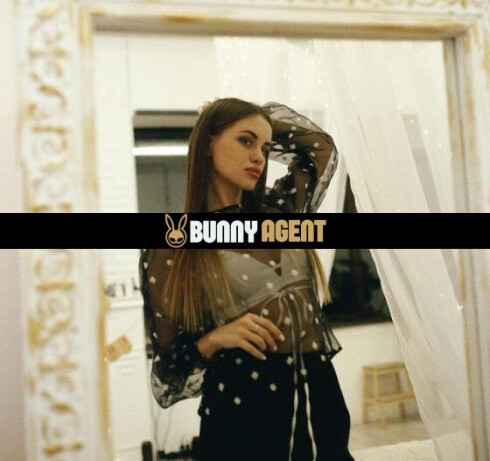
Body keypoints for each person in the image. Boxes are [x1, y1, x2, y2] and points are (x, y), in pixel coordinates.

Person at [139, 97, 355, 461]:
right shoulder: (176, 244)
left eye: (265, 148)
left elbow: (321, 149)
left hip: (321, 393)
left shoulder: (282, 213)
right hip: (243, 409)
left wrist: (258, 118)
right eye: (245, 141)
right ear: (208, 142)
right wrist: (213, 339)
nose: (259, 157)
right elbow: (168, 373)